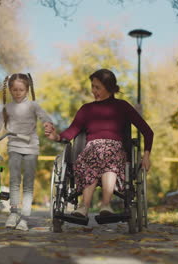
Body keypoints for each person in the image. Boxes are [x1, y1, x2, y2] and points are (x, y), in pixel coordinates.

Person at [45, 68, 153, 218]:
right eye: (92, 86)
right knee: (93, 155)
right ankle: (84, 206)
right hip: (91, 150)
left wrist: (146, 155)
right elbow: (70, 133)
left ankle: (106, 205)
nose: (93, 91)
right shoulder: (86, 109)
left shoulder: (122, 106)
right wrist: (55, 136)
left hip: (115, 150)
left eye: (97, 87)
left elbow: (148, 131)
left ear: (109, 88)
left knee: (108, 155)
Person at [0, 73, 54, 231]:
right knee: (14, 181)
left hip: (31, 146)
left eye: (21, 90)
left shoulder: (33, 105)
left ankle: (25, 217)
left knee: (29, 183)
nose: (18, 93)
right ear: (10, 90)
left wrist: (47, 124)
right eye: (15, 90)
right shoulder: (7, 107)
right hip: (14, 146)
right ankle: (14, 212)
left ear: (27, 90)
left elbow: (44, 116)